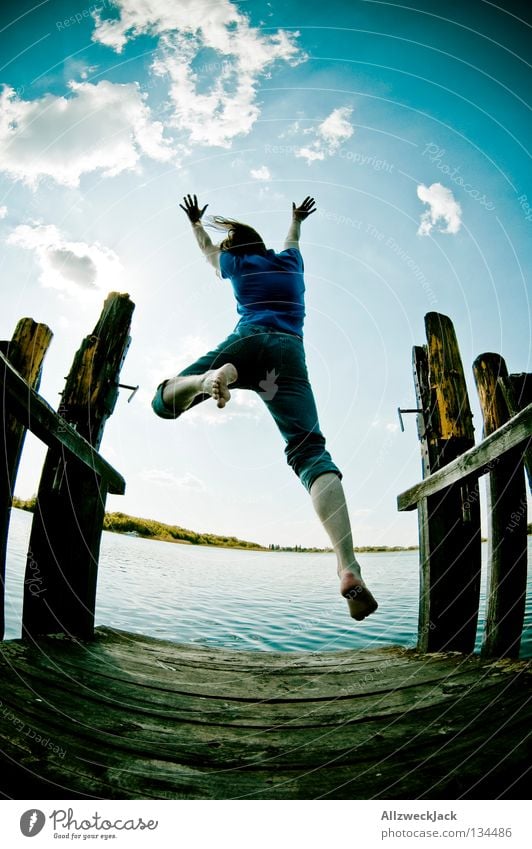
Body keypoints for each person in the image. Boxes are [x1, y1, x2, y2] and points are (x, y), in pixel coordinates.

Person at [152, 194, 378, 621]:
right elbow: (292, 239)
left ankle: (210, 380)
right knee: (310, 454)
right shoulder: (291, 264)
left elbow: (206, 251)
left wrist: (196, 225)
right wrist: (296, 220)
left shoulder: (236, 264)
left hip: (247, 341)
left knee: (162, 402)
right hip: (289, 357)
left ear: (233, 248)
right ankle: (348, 566)